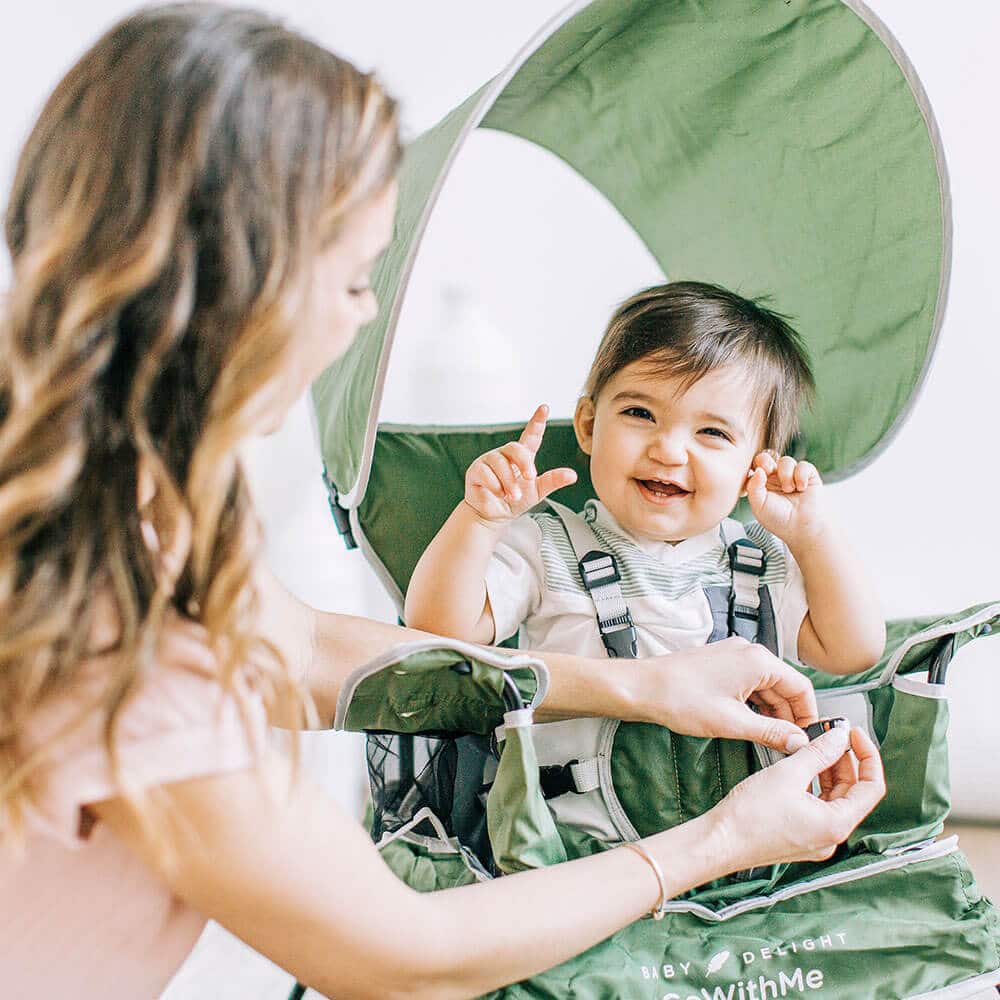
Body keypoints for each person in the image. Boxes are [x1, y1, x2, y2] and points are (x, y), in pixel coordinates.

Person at [0, 6, 885, 1000]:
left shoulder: (129, 495)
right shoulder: (112, 612)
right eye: (348, 279)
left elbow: (305, 646)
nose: (365, 311)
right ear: (248, 284)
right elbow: (401, 957)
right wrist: (721, 838)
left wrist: (639, 686)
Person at [406, 281, 886, 674]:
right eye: (640, 412)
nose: (669, 450)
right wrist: (480, 521)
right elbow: (436, 631)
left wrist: (812, 535)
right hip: (575, 794)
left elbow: (853, 651)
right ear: (590, 426)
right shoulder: (545, 547)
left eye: (712, 432)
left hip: (746, 793)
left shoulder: (761, 565)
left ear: (752, 469)